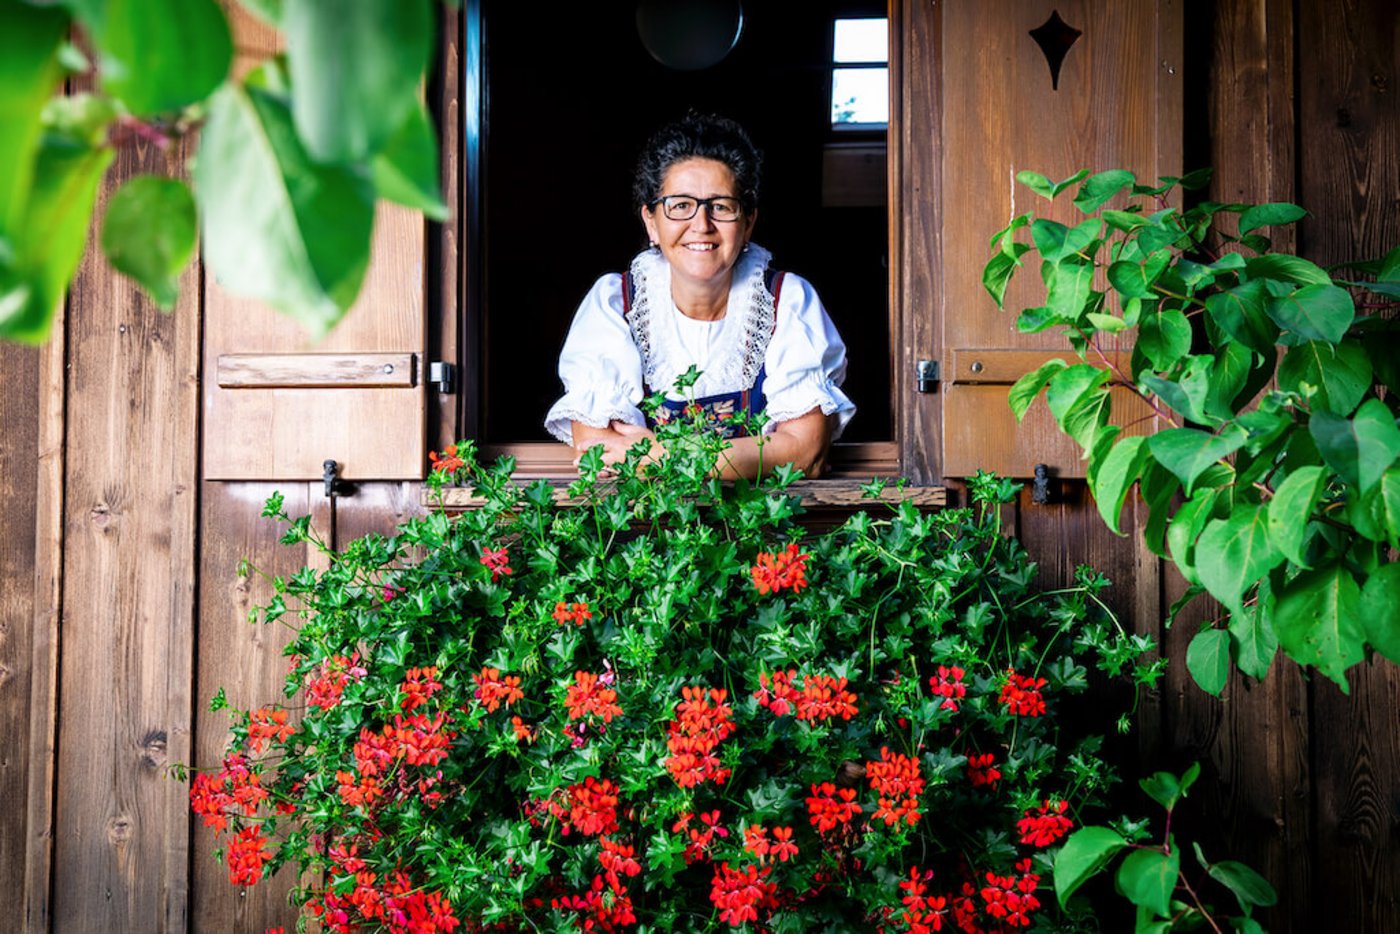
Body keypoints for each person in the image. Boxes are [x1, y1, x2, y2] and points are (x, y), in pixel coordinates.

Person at [544, 113, 855, 479]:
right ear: (651, 222)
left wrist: (660, 455)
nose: (702, 224)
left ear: (748, 222)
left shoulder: (787, 301)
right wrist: (754, 457)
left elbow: (806, 454)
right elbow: (601, 451)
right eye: (680, 205)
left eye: (721, 206)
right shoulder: (614, 303)